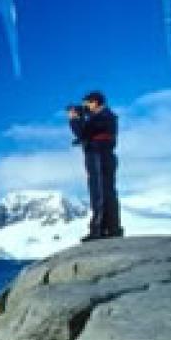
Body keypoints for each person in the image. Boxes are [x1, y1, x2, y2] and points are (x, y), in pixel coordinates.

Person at [68, 91, 123, 242]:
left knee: (98, 191)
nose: (85, 106)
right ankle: (112, 228)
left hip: (98, 156)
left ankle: (98, 230)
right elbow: (88, 134)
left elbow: (83, 132)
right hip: (104, 155)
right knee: (108, 192)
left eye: (87, 103)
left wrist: (74, 119)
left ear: (95, 102)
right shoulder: (107, 116)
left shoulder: (101, 117)